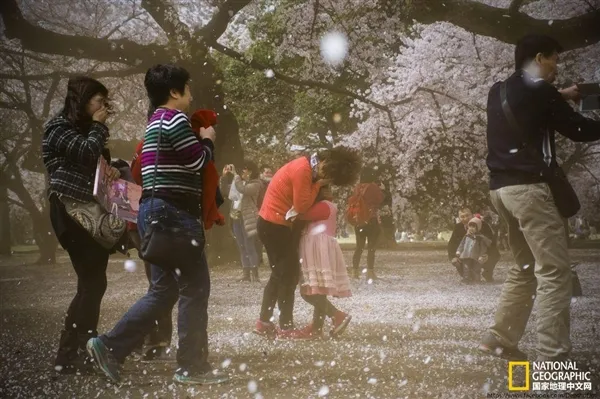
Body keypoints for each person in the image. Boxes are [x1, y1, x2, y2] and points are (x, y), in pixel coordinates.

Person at [87, 64, 229, 385]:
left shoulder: (154, 122)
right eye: (187, 89)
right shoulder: (174, 118)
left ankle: (109, 346)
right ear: (174, 92)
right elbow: (195, 161)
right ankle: (191, 367)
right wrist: (207, 139)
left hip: (153, 213)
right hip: (174, 214)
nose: (190, 95)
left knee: (164, 291)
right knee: (195, 287)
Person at [479, 34, 600, 361]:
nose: (557, 66)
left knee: (525, 266)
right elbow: (580, 131)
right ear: (539, 57)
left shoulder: (498, 90)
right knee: (555, 272)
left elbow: (530, 101)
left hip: (501, 191)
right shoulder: (544, 95)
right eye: (554, 59)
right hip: (530, 191)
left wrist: (561, 96)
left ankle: (500, 338)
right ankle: (554, 355)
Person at [43, 76, 121, 374]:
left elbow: (96, 163)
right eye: (97, 100)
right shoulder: (57, 128)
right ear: (81, 100)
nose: (102, 106)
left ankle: (70, 354)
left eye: (104, 101)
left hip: (91, 212)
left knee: (91, 282)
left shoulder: (89, 131)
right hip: (70, 213)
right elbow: (86, 153)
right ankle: (81, 351)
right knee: (92, 282)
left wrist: (111, 170)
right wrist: (100, 128)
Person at [254, 148, 361, 339]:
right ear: (323, 161)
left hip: (275, 224)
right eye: (324, 173)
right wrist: (318, 184)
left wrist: (318, 184)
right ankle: (284, 326)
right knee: (286, 276)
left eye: (329, 178)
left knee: (281, 275)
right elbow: (302, 206)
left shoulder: (307, 169)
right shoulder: (302, 170)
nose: (324, 178)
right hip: (273, 225)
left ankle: (265, 321)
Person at [294, 186, 352, 339]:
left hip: (316, 252)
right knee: (319, 291)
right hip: (322, 251)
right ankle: (317, 327)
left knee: (308, 292)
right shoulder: (328, 205)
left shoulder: (323, 206)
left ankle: (337, 315)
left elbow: (298, 215)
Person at [221, 161, 262, 282]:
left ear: (251, 171)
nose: (243, 172)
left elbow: (243, 189)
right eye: (243, 169)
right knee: (241, 245)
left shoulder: (256, 184)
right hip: (236, 217)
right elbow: (225, 190)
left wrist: (235, 176)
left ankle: (255, 273)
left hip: (248, 218)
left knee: (249, 245)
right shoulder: (238, 182)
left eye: (246, 169)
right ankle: (246, 274)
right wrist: (224, 176)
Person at [448, 207, 499, 282]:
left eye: (467, 215)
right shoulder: (458, 227)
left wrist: (487, 255)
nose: (465, 218)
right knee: (456, 262)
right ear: (459, 218)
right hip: (466, 255)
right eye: (462, 216)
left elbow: (492, 242)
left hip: (481, 253)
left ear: (472, 215)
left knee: (494, 255)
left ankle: (487, 273)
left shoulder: (483, 225)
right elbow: (452, 244)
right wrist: (453, 256)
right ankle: (467, 276)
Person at [350, 177, 384, 280]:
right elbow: (380, 199)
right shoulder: (373, 187)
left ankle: (355, 271)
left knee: (359, 247)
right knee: (371, 248)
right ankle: (370, 272)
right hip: (371, 219)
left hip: (359, 220)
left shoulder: (357, 187)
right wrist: (381, 189)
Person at [455, 218, 492, 284]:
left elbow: (483, 248)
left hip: (476, 256)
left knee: (476, 269)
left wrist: (481, 256)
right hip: (466, 255)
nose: (471, 228)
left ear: (478, 228)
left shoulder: (480, 238)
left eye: (474, 227)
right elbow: (462, 244)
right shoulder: (466, 236)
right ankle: (466, 280)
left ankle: (476, 280)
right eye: (470, 226)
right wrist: (459, 251)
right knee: (466, 268)